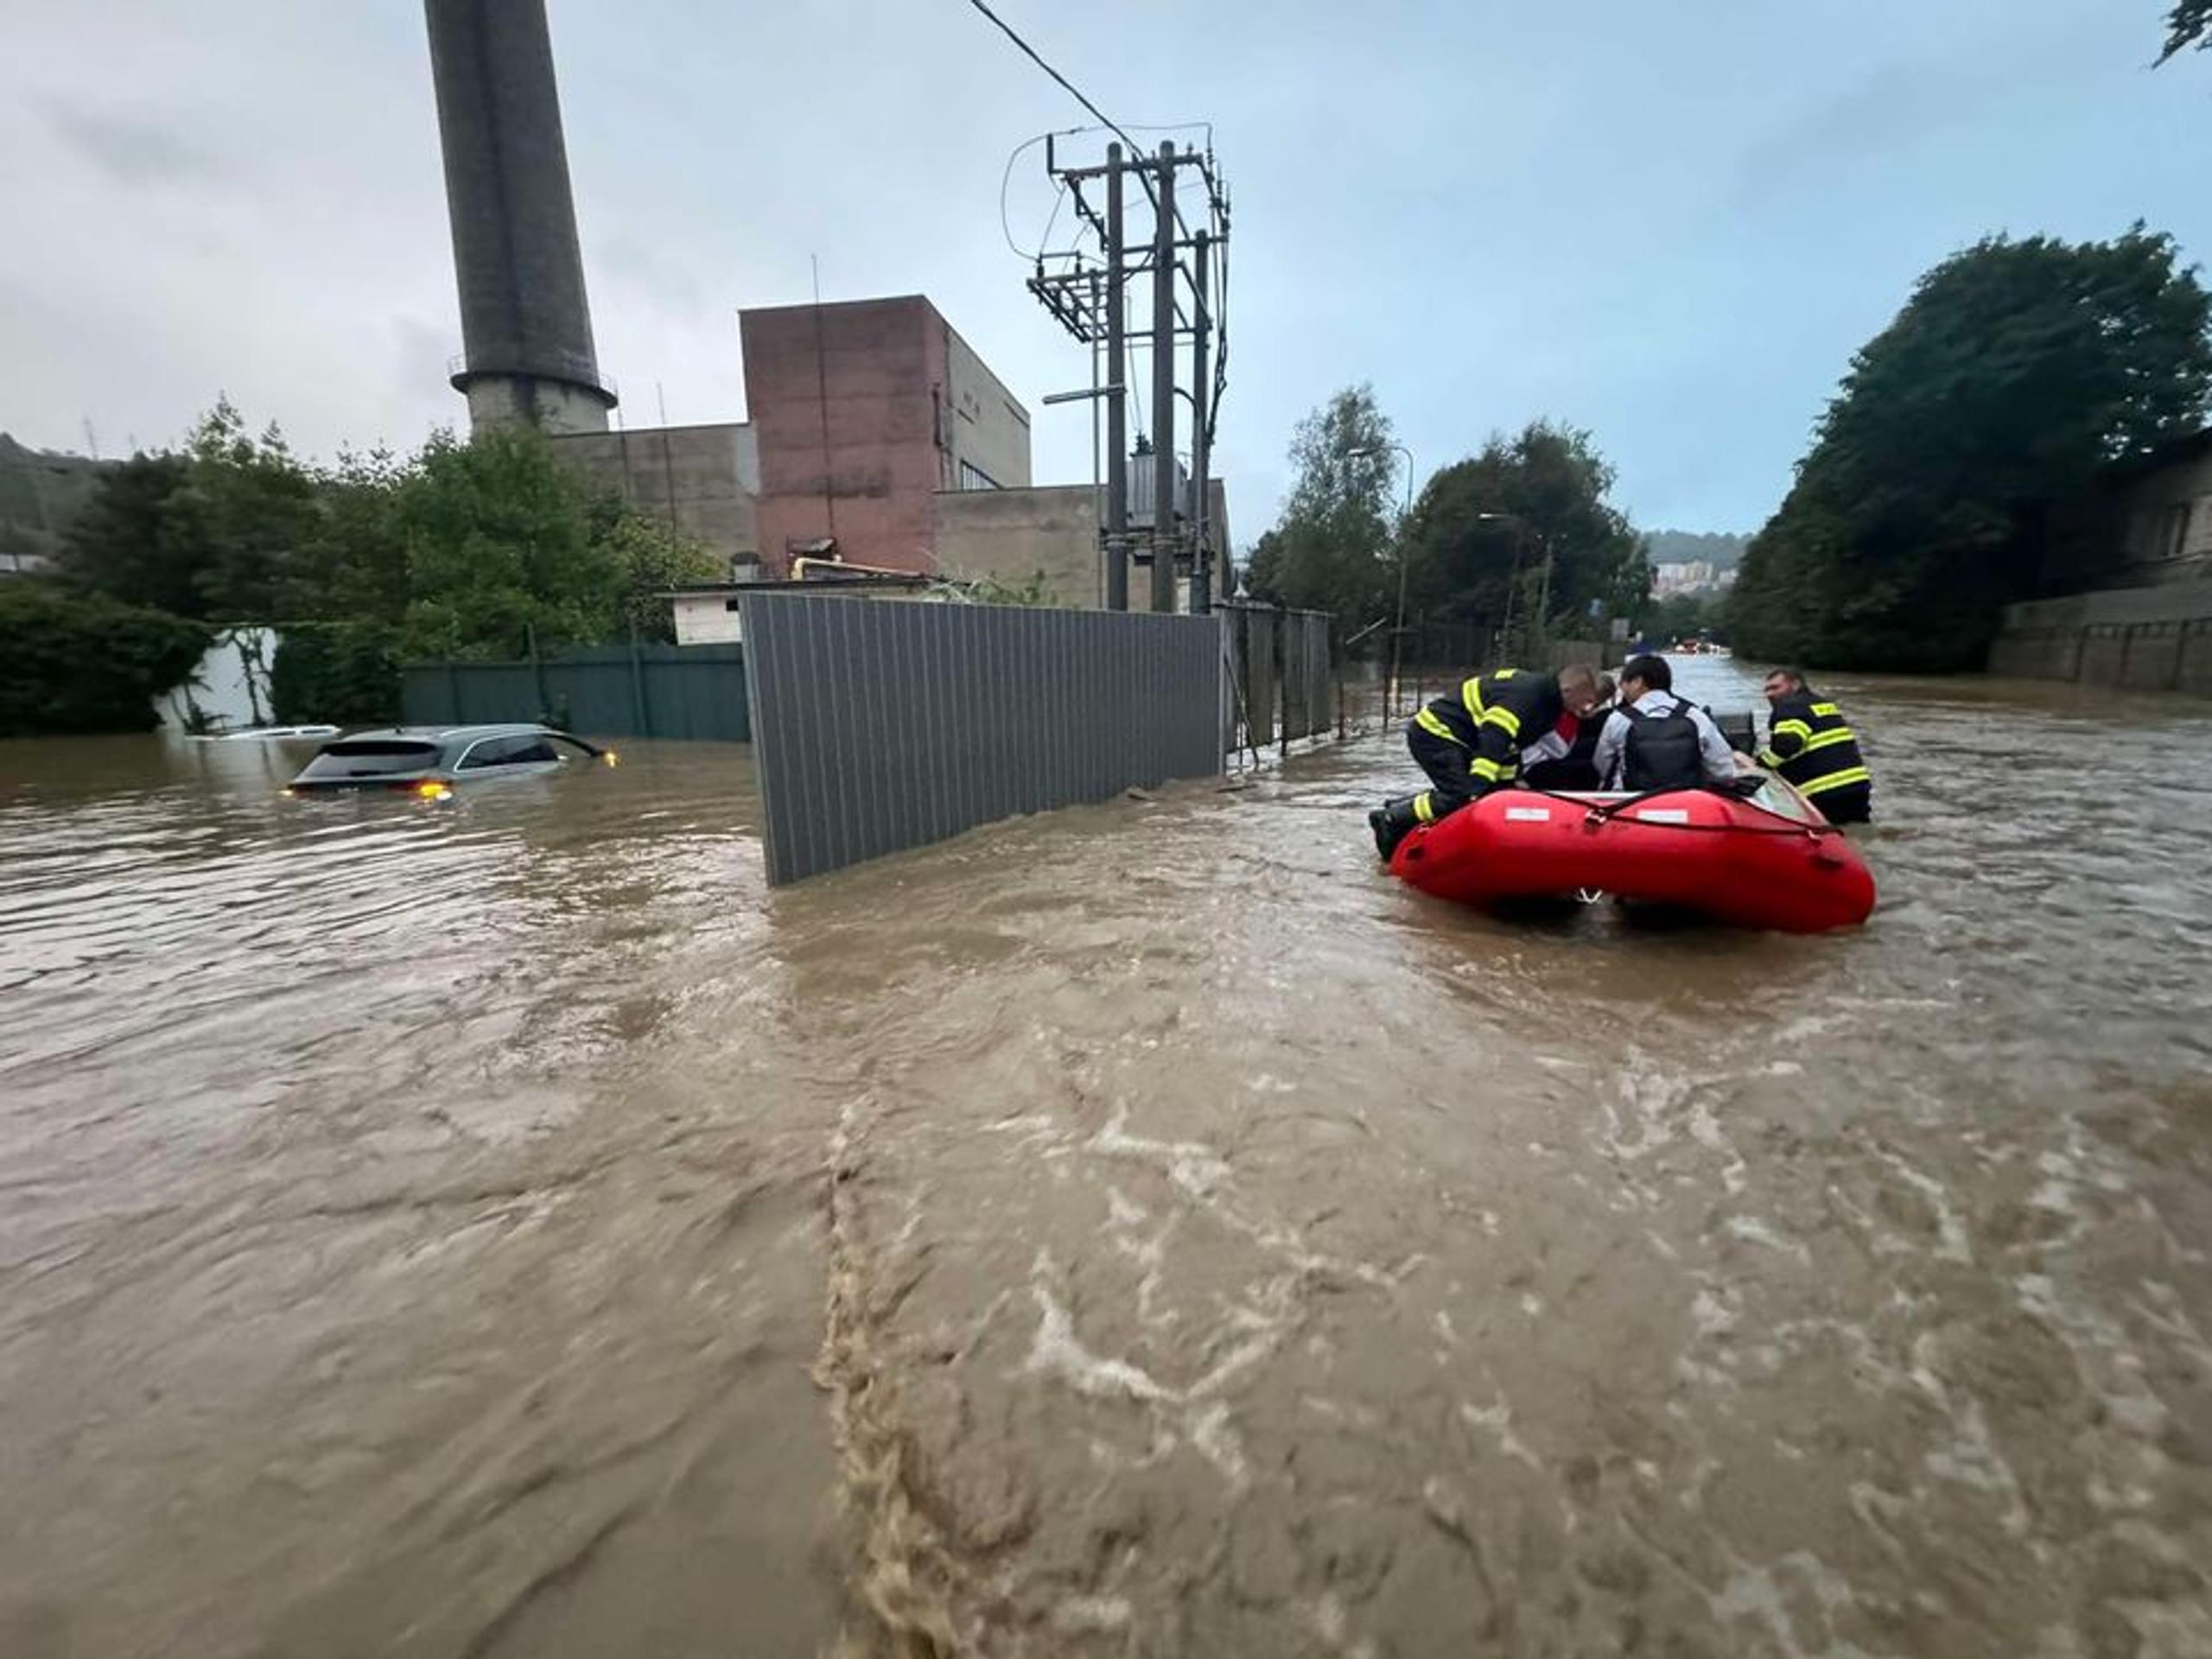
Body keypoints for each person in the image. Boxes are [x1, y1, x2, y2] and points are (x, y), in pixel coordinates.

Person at [1370, 664, 1602, 858]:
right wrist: (1477, 786)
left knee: (1486, 793)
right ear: (1568, 690)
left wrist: (1510, 786)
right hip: (1436, 732)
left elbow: (1511, 748)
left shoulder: (1550, 708)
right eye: (1587, 701)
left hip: (1465, 738)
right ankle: (1391, 819)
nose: (1588, 708)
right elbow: (1495, 738)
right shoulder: (1529, 696)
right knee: (1460, 796)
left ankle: (1400, 806)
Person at [1589, 654, 1742, 792]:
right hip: (1688, 804)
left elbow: (1602, 765)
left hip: (1630, 804)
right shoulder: (1695, 716)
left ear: (1637, 682)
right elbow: (1724, 771)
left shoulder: (1618, 719)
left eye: (1624, 683)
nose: (1622, 689)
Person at [1758, 667, 1872, 824]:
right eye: (1767, 690)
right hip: (1857, 786)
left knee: (1827, 840)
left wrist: (1763, 763)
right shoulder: (1823, 704)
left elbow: (1789, 744)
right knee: (1857, 833)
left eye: (1775, 688)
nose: (1769, 694)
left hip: (1823, 791)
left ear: (1796, 684)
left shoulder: (1788, 707)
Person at [1522, 673, 1616, 791]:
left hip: (1550, 759)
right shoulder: (1555, 711)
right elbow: (1558, 750)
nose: (1590, 708)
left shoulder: (1575, 717)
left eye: (1596, 705)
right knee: (1588, 771)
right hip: (1535, 765)